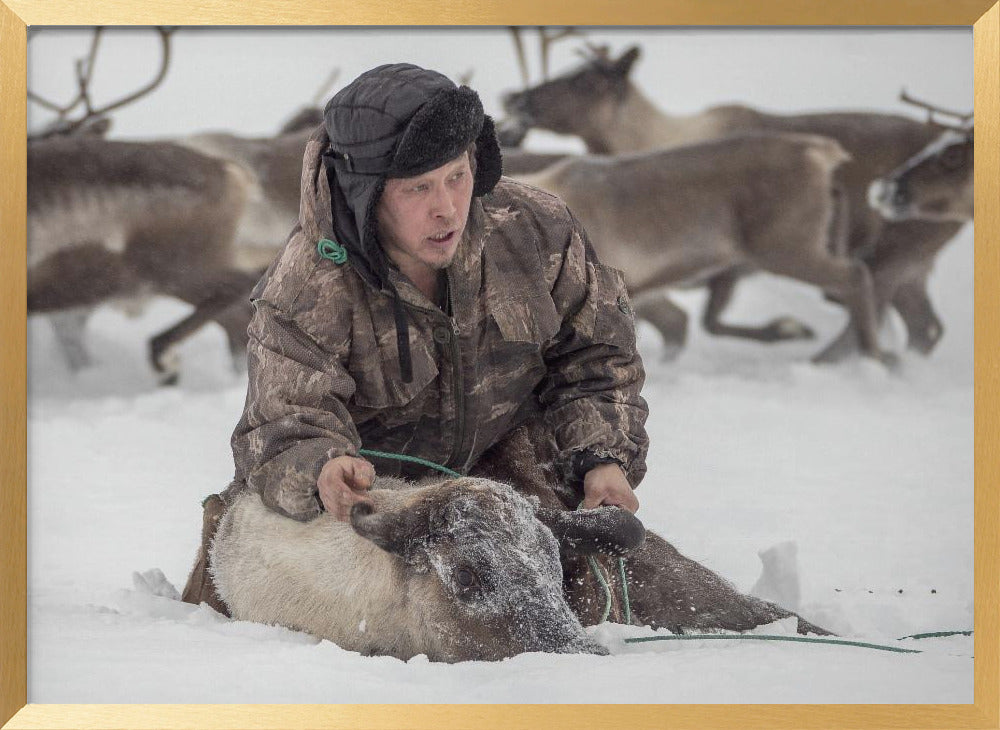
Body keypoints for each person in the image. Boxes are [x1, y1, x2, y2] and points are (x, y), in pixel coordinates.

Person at [181, 62, 649, 611]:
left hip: (505, 490)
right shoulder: (307, 283)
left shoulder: (536, 228)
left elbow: (598, 357)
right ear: (366, 194)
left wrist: (602, 459)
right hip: (367, 512)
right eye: (418, 188)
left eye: (457, 175)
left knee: (632, 592)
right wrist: (325, 467)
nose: (446, 207)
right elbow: (285, 422)